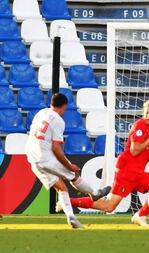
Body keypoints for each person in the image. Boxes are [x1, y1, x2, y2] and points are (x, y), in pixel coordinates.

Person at [69, 99, 149, 226]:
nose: (148, 116)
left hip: (138, 172)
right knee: (109, 206)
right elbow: (134, 150)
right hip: (127, 171)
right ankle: (68, 202)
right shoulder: (140, 126)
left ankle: (140, 215)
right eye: (146, 113)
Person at [25, 93, 111, 229]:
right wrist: (69, 165)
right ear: (64, 106)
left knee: (61, 188)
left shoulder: (41, 113)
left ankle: (71, 217)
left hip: (32, 157)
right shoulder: (58, 120)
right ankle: (95, 194)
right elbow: (56, 147)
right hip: (46, 157)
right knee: (74, 175)